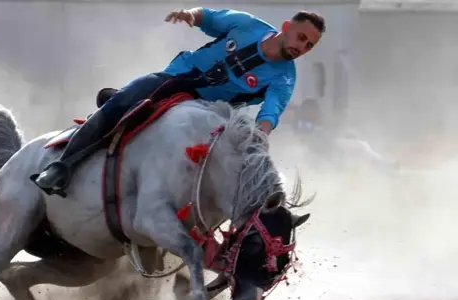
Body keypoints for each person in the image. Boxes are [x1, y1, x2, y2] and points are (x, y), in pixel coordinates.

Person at [32, 7, 326, 195]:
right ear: (286, 26)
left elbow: (271, 111)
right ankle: (62, 166)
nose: (302, 47)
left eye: (309, 45)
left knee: (226, 166)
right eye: (301, 37)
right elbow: (208, 18)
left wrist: (261, 135)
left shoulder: (285, 77)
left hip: (209, 112)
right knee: (123, 102)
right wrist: (189, 15)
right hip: (177, 79)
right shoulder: (248, 24)